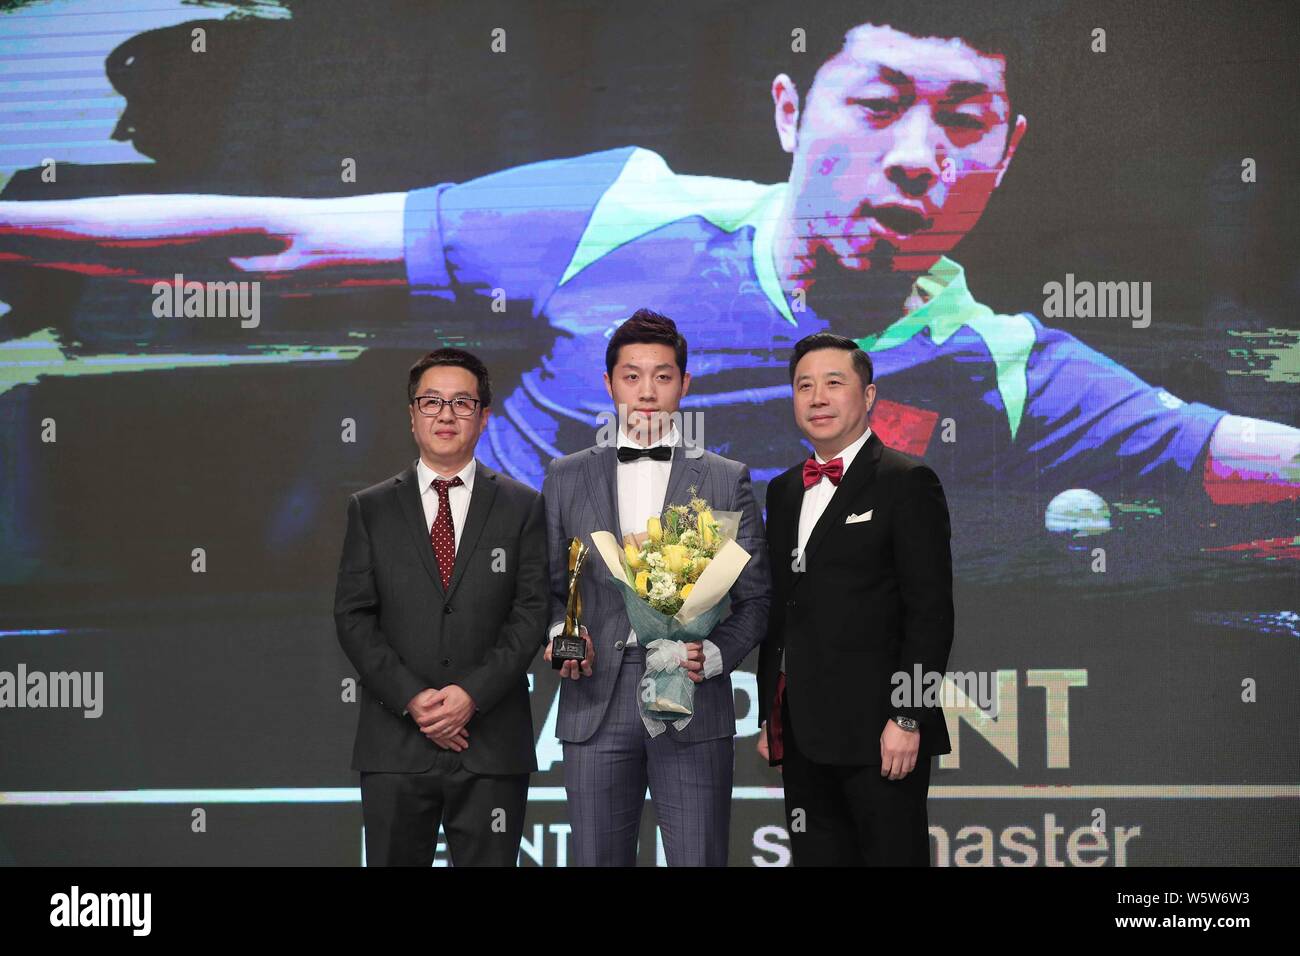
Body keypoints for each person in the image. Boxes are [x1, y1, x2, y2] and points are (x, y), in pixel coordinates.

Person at [2, 5, 1295, 507]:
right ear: (793, 118)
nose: (914, 156)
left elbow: (1237, 455)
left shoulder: (1001, 365)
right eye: (878, 100)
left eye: (960, 124)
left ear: (1001, 161)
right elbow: (278, 241)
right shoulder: (618, 210)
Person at [540, 309, 771, 866]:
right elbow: (546, 586)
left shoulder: (724, 476)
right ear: (609, 383)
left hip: (694, 700)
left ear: (685, 384)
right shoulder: (565, 476)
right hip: (595, 698)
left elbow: (757, 596)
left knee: (700, 857)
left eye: (663, 376)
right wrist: (559, 633)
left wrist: (713, 655)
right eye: (632, 376)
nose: (647, 392)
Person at [334, 347, 548, 866]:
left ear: (484, 417)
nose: (446, 415)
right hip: (396, 746)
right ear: (412, 416)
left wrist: (470, 696)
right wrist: (413, 699)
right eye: (431, 402)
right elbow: (354, 615)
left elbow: (532, 612)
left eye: (462, 403)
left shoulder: (523, 505)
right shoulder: (372, 508)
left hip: (491, 743)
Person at [757, 331, 952, 866]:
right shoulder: (782, 490)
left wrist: (908, 717)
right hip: (802, 735)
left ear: (868, 396)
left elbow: (930, 615)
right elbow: (784, 610)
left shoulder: (907, 482)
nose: (817, 398)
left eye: (833, 383)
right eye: (804, 386)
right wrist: (771, 714)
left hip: (882, 735)